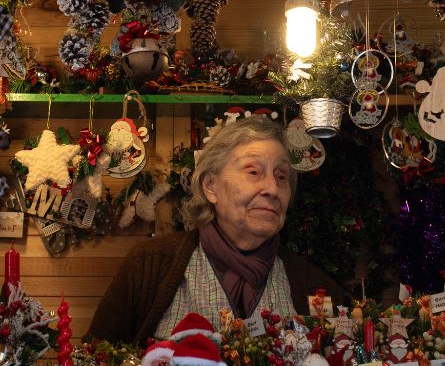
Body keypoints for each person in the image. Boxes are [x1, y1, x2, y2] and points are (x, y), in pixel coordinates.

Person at [86, 116, 346, 344]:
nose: (272, 189)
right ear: (211, 186)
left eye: (281, 177)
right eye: (254, 171)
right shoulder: (149, 266)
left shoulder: (317, 288)